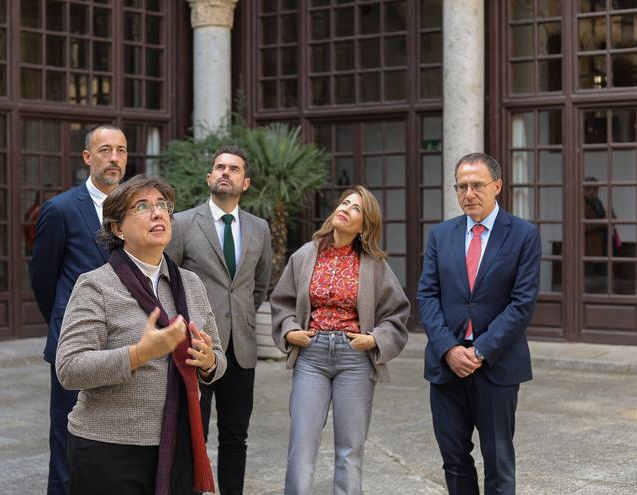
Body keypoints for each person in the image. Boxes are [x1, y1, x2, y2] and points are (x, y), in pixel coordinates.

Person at [56, 175, 226, 494]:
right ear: (118, 228)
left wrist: (208, 362)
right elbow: (69, 368)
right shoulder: (95, 285)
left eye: (162, 205)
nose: (158, 213)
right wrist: (139, 354)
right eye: (143, 206)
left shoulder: (190, 283)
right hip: (109, 449)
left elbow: (217, 356)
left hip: (179, 445)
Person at [269, 185, 410, 495]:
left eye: (356, 208)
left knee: (350, 448)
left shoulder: (374, 264)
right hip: (311, 356)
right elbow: (283, 301)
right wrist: (290, 328)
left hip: (354, 360)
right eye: (345, 203)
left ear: (365, 225)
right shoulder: (306, 255)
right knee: (302, 443)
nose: (345, 209)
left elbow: (397, 314)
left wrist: (373, 340)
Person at [417, 152, 541, 495]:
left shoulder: (523, 235)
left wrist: (481, 350)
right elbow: (427, 296)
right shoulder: (441, 235)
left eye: (476, 185)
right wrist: (449, 349)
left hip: (496, 365)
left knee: (499, 462)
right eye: (461, 186)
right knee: (454, 461)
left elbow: (523, 302)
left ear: (497, 186)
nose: (468, 193)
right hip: (446, 367)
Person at [165, 145, 272, 495]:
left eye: (234, 169)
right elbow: (168, 282)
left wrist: (239, 319)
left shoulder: (259, 228)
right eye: (220, 167)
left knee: (236, 437)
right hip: (197, 347)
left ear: (246, 183)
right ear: (210, 177)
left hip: (240, 349)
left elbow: (258, 286)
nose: (226, 172)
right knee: (195, 435)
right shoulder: (182, 223)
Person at [30, 124, 128, 494]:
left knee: (114, 442)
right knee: (68, 436)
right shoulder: (60, 210)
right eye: (105, 150)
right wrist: (63, 322)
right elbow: (43, 279)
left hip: (125, 343)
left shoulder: (137, 207)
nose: (114, 158)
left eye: (120, 150)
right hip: (76, 343)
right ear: (88, 157)